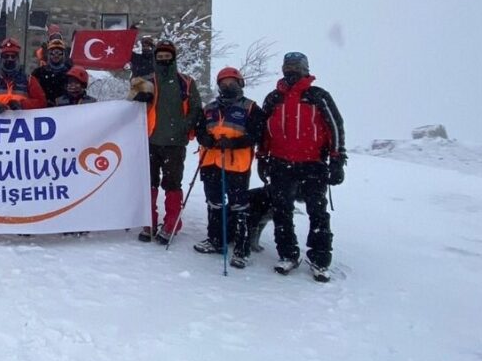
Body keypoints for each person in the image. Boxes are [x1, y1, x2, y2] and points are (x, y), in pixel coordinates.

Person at [258, 52, 346, 282]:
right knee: (281, 210)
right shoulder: (274, 98)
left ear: (306, 69)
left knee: (317, 212)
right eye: (288, 67)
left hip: (312, 164)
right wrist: (262, 156)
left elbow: (335, 127)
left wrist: (337, 159)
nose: (292, 71)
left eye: (297, 67)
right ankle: (288, 253)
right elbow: (263, 131)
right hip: (280, 163)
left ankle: (319, 258)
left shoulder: (318, 96)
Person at [192, 67, 266, 268]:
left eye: (231, 82)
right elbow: (199, 128)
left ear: (240, 84)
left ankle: (241, 248)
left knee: (239, 205)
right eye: (223, 83)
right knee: (214, 202)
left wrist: (235, 142)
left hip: (236, 163)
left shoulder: (251, 108)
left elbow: (258, 134)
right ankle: (216, 240)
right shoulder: (210, 108)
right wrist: (203, 137)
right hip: (211, 161)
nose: (227, 86)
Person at [131, 39, 203, 244]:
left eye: (167, 56)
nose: (163, 59)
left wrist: (184, 127)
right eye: (160, 56)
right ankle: (149, 222)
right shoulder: (146, 80)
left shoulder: (186, 81)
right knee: (149, 182)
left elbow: (196, 108)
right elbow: (130, 104)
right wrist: (138, 96)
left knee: (172, 184)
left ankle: (172, 223)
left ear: (173, 57)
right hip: (151, 140)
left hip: (174, 143)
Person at [0, 37, 48, 112]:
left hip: (21, 122)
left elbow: (41, 102)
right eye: (6, 56)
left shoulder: (29, 80)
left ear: (17, 58)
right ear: (1, 58)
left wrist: (21, 105)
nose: (10, 59)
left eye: (13, 56)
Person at [32, 34, 73, 106]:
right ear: (48, 54)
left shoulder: (71, 73)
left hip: (64, 110)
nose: (56, 55)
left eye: (59, 52)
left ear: (63, 54)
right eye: (53, 52)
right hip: (43, 109)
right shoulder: (38, 73)